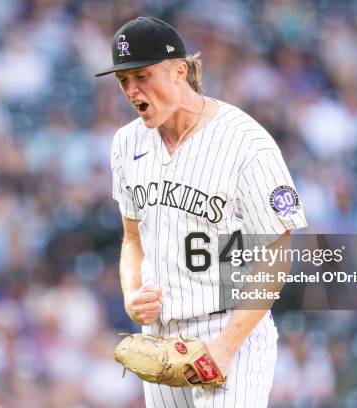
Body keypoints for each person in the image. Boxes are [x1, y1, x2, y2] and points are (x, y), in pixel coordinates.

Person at [96, 16, 307, 407]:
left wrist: (226, 346)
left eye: (142, 75)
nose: (131, 89)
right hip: (160, 340)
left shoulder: (245, 143)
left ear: (180, 71)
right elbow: (131, 238)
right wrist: (131, 293)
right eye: (124, 80)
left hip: (230, 328)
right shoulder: (126, 144)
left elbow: (276, 256)